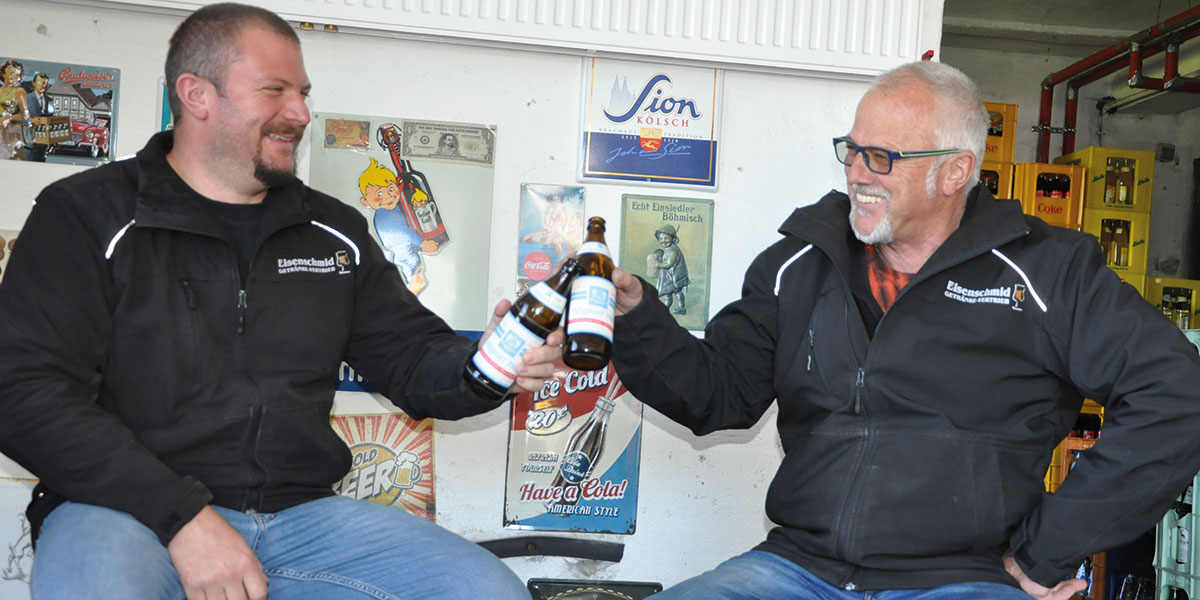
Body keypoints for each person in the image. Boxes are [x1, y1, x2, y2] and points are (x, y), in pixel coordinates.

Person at [0, 4, 559, 599]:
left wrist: (489, 367)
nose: (300, 113)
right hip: (124, 506)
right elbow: (21, 390)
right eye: (275, 91)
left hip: (301, 517)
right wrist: (180, 514)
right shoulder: (87, 214)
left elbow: (411, 356)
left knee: (487, 591)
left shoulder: (333, 232)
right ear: (196, 94)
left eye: (303, 94)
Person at [607, 60, 1200, 599]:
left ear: (955, 171)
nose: (857, 173)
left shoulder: (1048, 272)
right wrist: (635, 318)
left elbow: (1177, 394)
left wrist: (1045, 552)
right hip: (797, 568)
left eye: (882, 157)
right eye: (852, 150)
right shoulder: (800, 263)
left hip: (964, 578)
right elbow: (718, 393)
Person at [358, 157, 440, 295]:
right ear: (365, 200)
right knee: (413, 269)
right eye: (379, 193)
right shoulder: (384, 214)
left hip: (404, 247)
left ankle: (407, 291)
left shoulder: (392, 209)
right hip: (402, 247)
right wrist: (423, 243)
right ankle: (409, 292)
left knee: (411, 268)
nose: (389, 196)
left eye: (391, 189)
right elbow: (403, 231)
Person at [650, 224, 689, 314]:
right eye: (661, 239)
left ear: (673, 239)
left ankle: (678, 308)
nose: (663, 241)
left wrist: (658, 265)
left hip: (675, 277)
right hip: (671, 276)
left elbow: (669, 264)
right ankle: (670, 308)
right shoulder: (669, 248)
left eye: (666, 238)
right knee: (672, 293)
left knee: (674, 292)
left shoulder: (673, 251)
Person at [0, 59, 29, 160]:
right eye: (12, 73)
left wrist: (8, 118)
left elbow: (25, 115)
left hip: (9, 134)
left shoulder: (19, 91)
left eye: (18, 75)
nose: (15, 77)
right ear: (4, 74)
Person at [23, 71, 54, 162]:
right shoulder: (26, 98)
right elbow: (18, 118)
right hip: (29, 146)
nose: (42, 85)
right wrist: (30, 121)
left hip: (43, 147)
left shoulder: (50, 100)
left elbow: (52, 119)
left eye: (45, 83)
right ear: (34, 83)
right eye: (40, 82)